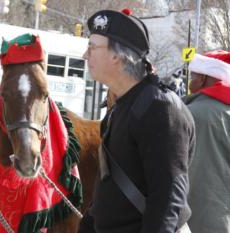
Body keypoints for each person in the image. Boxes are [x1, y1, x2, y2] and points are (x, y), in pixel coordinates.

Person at [78, 9, 195, 233]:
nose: (85, 54)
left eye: (92, 47)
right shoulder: (122, 106)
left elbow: (168, 200)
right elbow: (110, 187)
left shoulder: (160, 109)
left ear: (117, 55)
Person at [184, 50, 230, 233]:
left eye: (193, 76)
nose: (190, 82)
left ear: (202, 78)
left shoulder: (184, 113)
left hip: (188, 222)